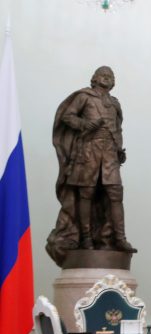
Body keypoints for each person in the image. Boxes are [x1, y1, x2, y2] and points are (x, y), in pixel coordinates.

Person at [46, 66, 136, 265]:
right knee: (86, 193)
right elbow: (66, 116)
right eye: (103, 75)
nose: (107, 77)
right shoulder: (84, 97)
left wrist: (119, 149)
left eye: (111, 76)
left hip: (110, 153)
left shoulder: (114, 103)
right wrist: (84, 125)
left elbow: (118, 129)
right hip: (88, 151)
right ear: (94, 79)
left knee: (115, 192)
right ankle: (85, 238)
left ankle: (119, 239)